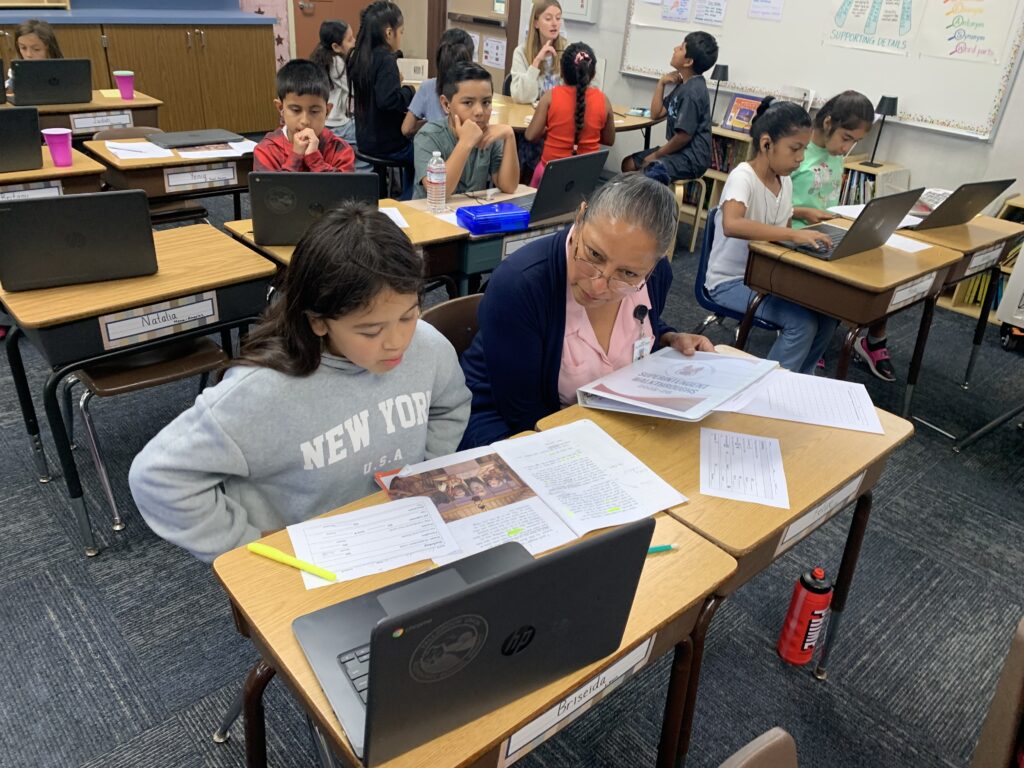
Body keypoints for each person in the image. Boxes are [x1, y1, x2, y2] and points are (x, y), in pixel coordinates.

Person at [128, 203, 472, 563]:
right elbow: (156, 476)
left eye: (408, 316)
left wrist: (423, 475)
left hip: (395, 533)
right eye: (370, 331)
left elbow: (450, 405)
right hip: (310, 559)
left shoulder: (428, 346)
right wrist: (246, 546)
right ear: (318, 322)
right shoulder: (260, 392)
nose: (397, 342)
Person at [459, 174, 715, 448]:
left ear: (653, 265)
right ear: (580, 218)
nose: (599, 285)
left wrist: (668, 338)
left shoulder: (655, 277)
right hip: (506, 423)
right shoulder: (520, 285)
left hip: (597, 420)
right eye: (594, 255)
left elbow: (636, 327)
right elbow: (524, 416)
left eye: (627, 273)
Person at [704, 97, 838, 375]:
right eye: (795, 149)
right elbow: (732, 224)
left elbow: (780, 230)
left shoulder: (784, 181)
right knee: (802, 324)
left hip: (767, 278)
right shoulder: (743, 176)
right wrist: (792, 234)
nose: (801, 158)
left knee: (827, 316)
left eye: (804, 149)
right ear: (766, 144)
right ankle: (769, 388)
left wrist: (805, 236)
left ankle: (801, 380)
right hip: (730, 281)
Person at [791, 90, 895, 382]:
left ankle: (872, 339)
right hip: (795, 237)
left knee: (883, 268)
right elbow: (770, 204)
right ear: (827, 123)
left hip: (827, 233)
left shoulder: (836, 155)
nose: (847, 148)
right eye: (846, 138)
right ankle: (815, 338)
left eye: (855, 142)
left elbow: (829, 201)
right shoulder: (797, 151)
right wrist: (802, 212)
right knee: (843, 281)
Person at [622, 31, 717, 186]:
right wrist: (661, 83)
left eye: (681, 48)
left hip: (691, 159)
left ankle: (645, 201)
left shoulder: (692, 91)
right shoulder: (684, 85)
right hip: (679, 152)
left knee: (645, 174)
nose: (675, 48)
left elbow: (683, 136)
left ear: (688, 62)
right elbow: (656, 113)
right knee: (628, 164)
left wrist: (656, 155)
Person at [413, 61, 518, 200]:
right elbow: (438, 192)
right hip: (429, 212)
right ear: (446, 104)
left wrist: (510, 136)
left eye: (486, 102)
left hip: (471, 211)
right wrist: (465, 142)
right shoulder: (428, 136)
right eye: (468, 103)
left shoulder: (490, 135)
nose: (479, 111)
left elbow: (509, 187)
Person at [348, 0, 416, 198]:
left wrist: (395, 83)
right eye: (401, 32)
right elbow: (388, 101)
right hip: (386, 144)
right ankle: (409, 199)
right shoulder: (386, 59)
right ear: (389, 33)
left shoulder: (359, 55)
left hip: (364, 138)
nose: (401, 37)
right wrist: (409, 91)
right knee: (421, 152)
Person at [525, 41, 614, 187]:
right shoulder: (603, 101)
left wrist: (549, 131)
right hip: (586, 176)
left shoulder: (550, 97)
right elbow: (609, 140)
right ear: (592, 74)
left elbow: (530, 135)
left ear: (562, 72)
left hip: (550, 174)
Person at [253, 59, 355, 173]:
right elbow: (272, 185)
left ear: (327, 111)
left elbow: (343, 184)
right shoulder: (267, 150)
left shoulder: (340, 149)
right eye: (296, 110)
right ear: (281, 108)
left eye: (314, 111)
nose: (305, 121)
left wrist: (314, 159)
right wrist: (296, 156)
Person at [401, 28, 474, 139]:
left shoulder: (427, 87)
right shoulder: (475, 90)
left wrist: (431, 123)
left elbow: (406, 129)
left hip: (432, 147)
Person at [309, 20, 357, 149]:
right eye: (350, 39)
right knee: (371, 133)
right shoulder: (337, 63)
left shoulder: (322, 58)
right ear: (336, 47)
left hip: (324, 122)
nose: (354, 42)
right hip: (336, 125)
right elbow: (356, 90)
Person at [509, 0, 567, 105]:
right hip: (531, 113)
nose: (554, 23)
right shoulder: (521, 52)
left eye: (558, 18)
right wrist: (536, 62)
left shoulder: (567, 50)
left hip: (559, 111)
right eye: (548, 19)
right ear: (536, 23)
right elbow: (520, 97)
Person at [5, 19, 63, 92]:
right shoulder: (16, 72)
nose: (28, 54)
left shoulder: (63, 72)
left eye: (36, 49)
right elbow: (8, 89)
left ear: (49, 48)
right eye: (23, 48)